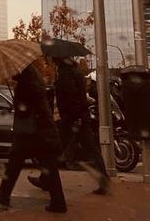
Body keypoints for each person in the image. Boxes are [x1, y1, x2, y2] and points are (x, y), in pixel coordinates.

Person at [0, 61, 67, 214]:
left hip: (32, 132)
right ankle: (58, 202)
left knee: (16, 161)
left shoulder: (25, 86)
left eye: (13, 69)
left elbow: (24, 110)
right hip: (42, 130)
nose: (11, 72)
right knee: (46, 166)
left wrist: (15, 102)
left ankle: (4, 194)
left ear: (21, 70)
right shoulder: (34, 81)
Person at [30, 57, 110, 196]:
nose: (51, 60)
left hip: (71, 120)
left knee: (55, 149)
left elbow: (71, 98)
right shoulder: (75, 71)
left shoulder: (66, 74)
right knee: (90, 149)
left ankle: (46, 180)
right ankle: (103, 179)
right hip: (77, 118)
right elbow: (78, 96)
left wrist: (74, 118)